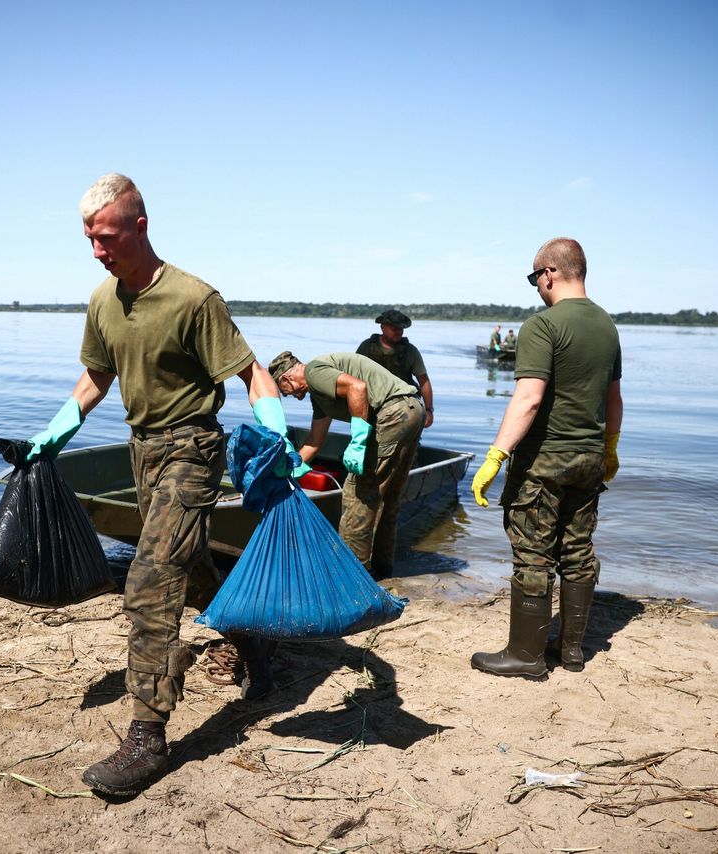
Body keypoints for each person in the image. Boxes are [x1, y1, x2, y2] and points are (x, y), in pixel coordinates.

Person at [27, 173, 292, 798]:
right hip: (143, 453)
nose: (97, 250)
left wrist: (274, 430)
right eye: (89, 239)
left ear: (139, 226)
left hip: (193, 450)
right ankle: (254, 641)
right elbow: (96, 376)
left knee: (149, 580)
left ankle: (148, 735)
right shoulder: (102, 301)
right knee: (189, 569)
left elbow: (253, 373)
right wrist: (54, 433)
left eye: (106, 236)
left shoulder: (193, 299)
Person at [469, 237, 622, 678]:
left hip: (545, 461)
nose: (536, 285)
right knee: (577, 550)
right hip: (590, 458)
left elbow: (529, 399)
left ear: (549, 273)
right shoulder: (607, 326)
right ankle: (571, 650)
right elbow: (614, 398)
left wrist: (496, 455)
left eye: (535, 277)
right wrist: (609, 447)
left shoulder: (542, 324)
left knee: (533, 554)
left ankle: (526, 655)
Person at [268, 350, 425, 579]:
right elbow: (315, 439)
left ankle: (352, 576)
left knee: (357, 493)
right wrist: (292, 466)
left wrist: (358, 441)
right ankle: (382, 570)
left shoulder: (314, 372)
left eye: (286, 393)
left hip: (393, 413)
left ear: (287, 379)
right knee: (389, 496)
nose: (292, 397)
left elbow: (357, 388)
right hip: (412, 410)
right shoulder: (320, 395)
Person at [356, 308, 434, 430]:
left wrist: (429, 410)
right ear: (382, 328)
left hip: (402, 405)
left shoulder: (410, 351)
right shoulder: (367, 347)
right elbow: (353, 375)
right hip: (371, 404)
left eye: (401, 329)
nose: (398, 332)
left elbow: (423, 380)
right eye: (394, 329)